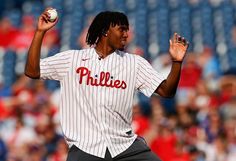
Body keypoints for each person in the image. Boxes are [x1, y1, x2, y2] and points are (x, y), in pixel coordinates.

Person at [25, 8, 189, 161]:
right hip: (85, 148)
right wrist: (40, 32)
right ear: (105, 32)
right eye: (122, 29)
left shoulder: (134, 63)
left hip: (125, 146)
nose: (126, 34)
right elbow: (32, 71)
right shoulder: (72, 60)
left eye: (127, 29)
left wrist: (176, 62)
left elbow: (167, 91)